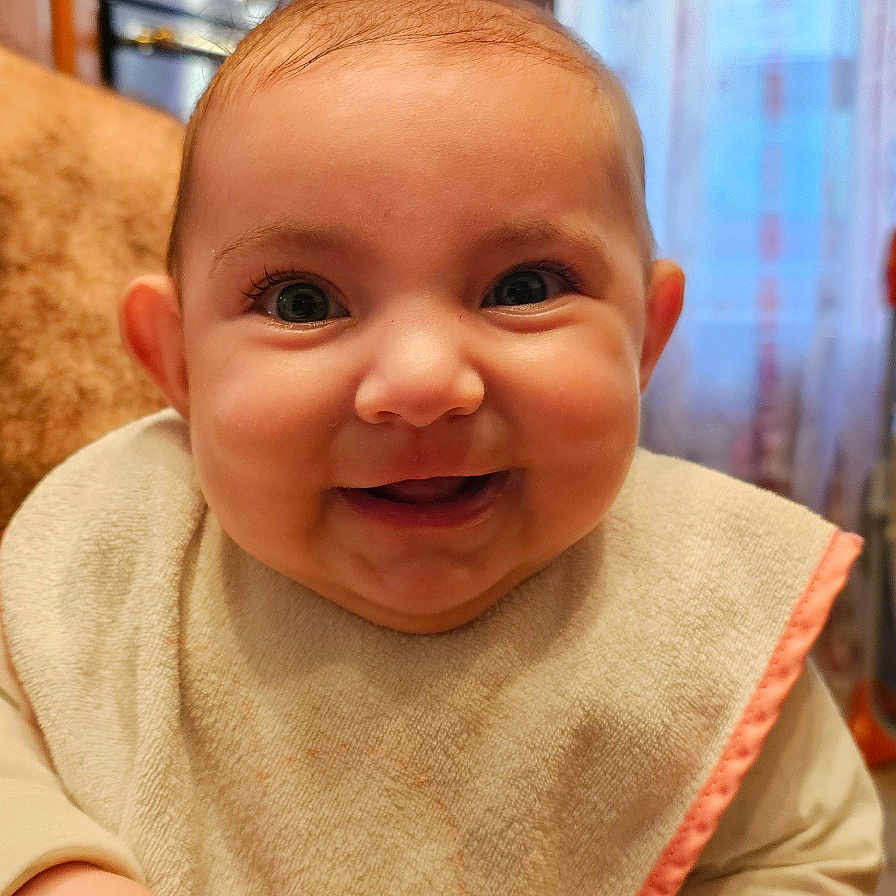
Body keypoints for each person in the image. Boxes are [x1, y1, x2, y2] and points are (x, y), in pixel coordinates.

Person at [0, 1, 884, 894]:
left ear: (644, 341)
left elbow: (807, 856)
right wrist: (55, 872)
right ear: (177, 361)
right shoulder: (113, 547)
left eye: (524, 285)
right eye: (304, 302)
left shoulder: (705, 597)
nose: (421, 384)